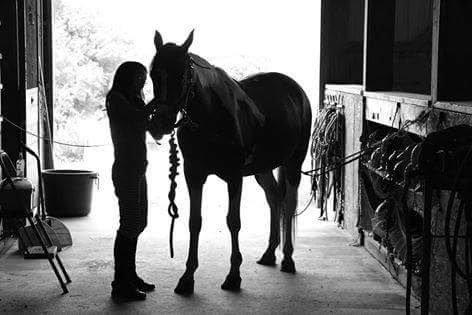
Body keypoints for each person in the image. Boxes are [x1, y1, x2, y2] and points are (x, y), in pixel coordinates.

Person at [106, 61, 157, 301]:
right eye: (139, 77)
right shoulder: (116, 99)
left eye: (144, 78)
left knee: (139, 222)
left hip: (137, 169)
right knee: (129, 224)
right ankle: (120, 284)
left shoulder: (135, 98)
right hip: (126, 170)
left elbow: (148, 127)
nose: (142, 82)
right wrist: (160, 102)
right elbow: (135, 118)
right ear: (127, 77)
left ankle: (130, 275)